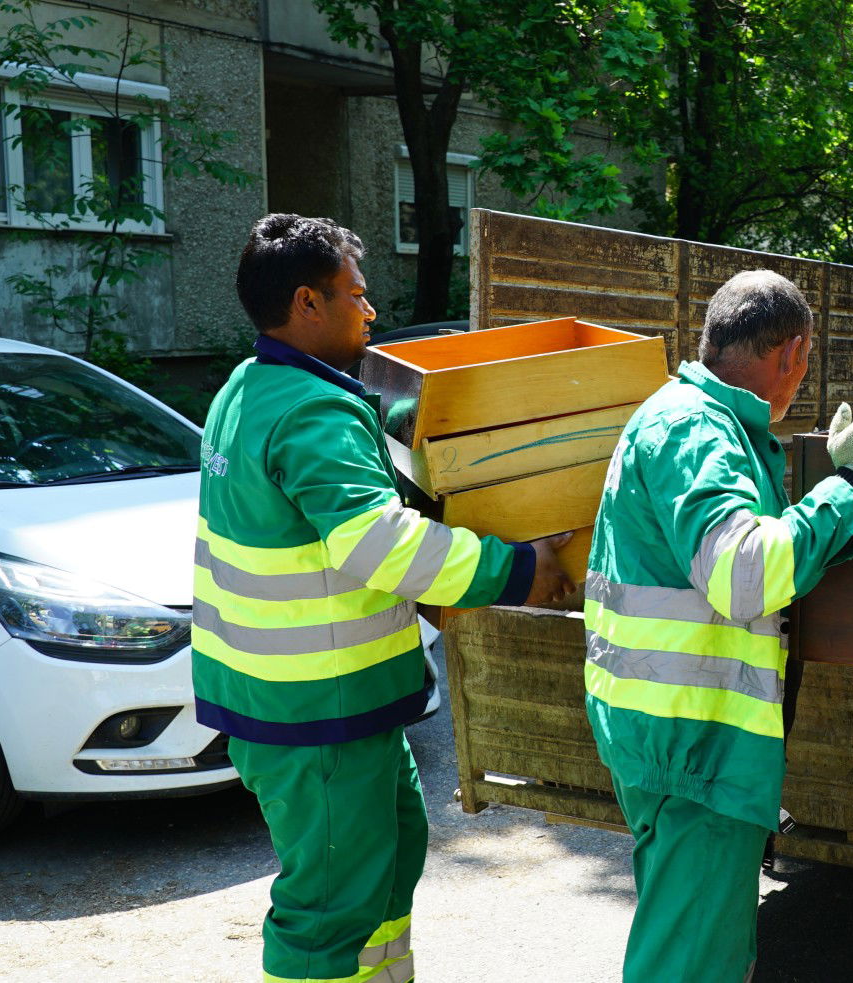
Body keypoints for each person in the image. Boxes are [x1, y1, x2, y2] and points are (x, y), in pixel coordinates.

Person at [193, 213, 573, 983]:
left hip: (308, 702)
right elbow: (381, 544)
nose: (372, 311)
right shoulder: (310, 411)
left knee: (390, 860)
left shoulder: (250, 387)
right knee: (330, 912)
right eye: (357, 295)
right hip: (315, 714)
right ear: (307, 303)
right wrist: (517, 570)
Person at [584, 269, 853, 981]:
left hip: (672, 733)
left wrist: (837, 507)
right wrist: (851, 486)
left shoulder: (694, 419)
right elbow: (743, 575)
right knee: (692, 965)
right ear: (793, 352)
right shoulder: (695, 430)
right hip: (697, 747)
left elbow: (738, 552)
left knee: (695, 944)